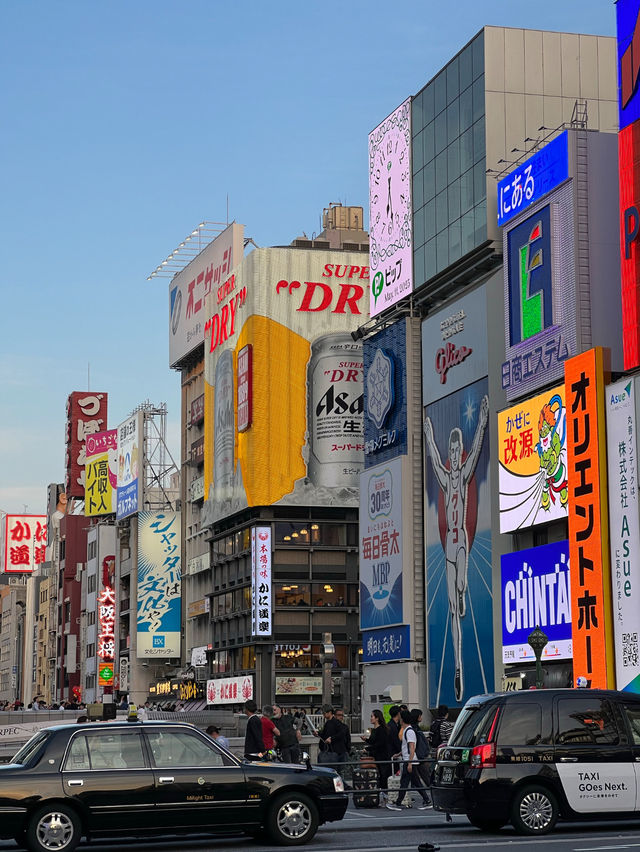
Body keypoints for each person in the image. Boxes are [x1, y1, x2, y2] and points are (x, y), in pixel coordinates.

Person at [424, 395, 489, 702]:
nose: (453, 454)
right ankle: (459, 667)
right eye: (450, 449)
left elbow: (477, 450)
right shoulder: (445, 477)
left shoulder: (462, 478)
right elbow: (434, 462)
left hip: (460, 541)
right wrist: (427, 437)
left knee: (461, 586)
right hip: (448, 544)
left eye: (455, 449)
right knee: (452, 610)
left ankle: (462, 592)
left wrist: (483, 420)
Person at [386, 710, 432, 811]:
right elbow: (407, 748)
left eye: (400, 718)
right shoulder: (408, 730)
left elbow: (412, 748)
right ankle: (424, 800)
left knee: (409, 783)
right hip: (409, 761)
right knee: (407, 782)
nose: (399, 720)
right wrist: (399, 754)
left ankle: (425, 801)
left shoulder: (409, 731)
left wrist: (410, 763)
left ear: (403, 719)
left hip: (410, 761)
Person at [361, 709, 392, 790]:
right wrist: (366, 740)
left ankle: (385, 797)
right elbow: (373, 742)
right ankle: (383, 796)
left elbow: (380, 744)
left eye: (372, 716)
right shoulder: (374, 730)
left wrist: (367, 749)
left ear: (377, 718)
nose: (371, 718)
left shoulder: (381, 729)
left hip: (382, 756)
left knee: (383, 776)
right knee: (378, 776)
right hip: (376, 756)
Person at [410, 708, 432, 806]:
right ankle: (429, 798)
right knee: (426, 778)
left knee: (418, 779)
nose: (421, 717)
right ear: (418, 717)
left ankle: (427, 798)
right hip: (420, 757)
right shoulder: (416, 729)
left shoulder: (412, 728)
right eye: (420, 716)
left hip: (416, 757)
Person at [316, 705, 349, 771]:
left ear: (329, 713)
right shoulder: (330, 723)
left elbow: (341, 734)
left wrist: (331, 738)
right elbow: (326, 735)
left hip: (334, 752)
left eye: (324, 713)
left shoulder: (334, 722)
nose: (323, 715)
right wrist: (318, 734)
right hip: (334, 751)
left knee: (332, 771)